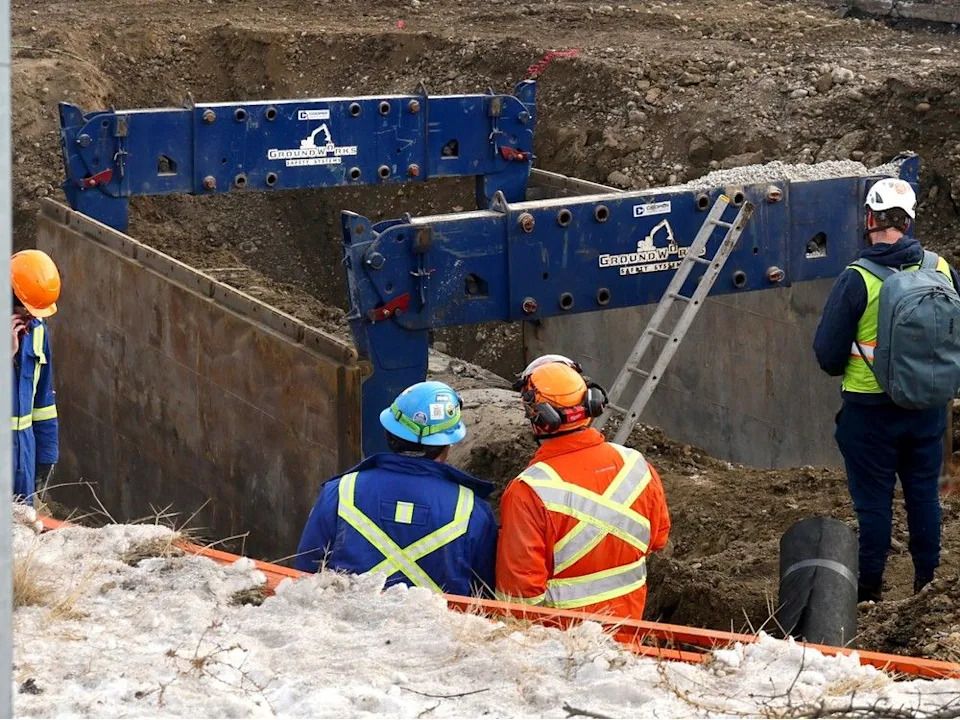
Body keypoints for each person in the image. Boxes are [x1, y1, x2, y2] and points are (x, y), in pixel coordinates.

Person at [813, 177, 960, 602]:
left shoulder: (857, 279)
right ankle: (927, 587)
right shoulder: (941, 269)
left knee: (874, 505)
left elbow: (827, 356)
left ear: (870, 219)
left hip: (869, 412)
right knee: (924, 498)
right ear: (910, 221)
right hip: (929, 407)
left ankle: (869, 593)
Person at [495, 355, 671, 619]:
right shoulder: (636, 465)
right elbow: (658, 538)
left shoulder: (528, 492)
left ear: (537, 416)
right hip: (629, 632)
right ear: (592, 403)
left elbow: (519, 596)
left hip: (562, 644)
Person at [294, 380, 497, 597]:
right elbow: (483, 598)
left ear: (389, 434)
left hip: (347, 625)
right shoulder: (473, 512)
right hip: (436, 629)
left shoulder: (340, 492)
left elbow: (305, 577)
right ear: (447, 443)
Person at [11, 249, 60, 504]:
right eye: (26, 309)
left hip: (24, 457)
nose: (31, 317)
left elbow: (44, 403)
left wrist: (46, 457)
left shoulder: (38, 332)